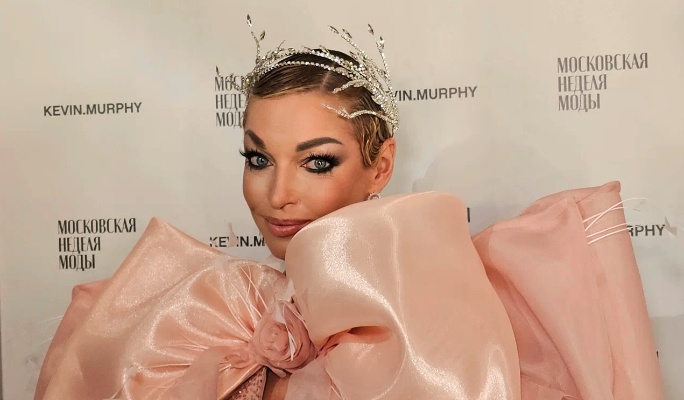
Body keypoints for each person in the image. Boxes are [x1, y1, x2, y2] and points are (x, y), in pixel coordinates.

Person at [33, 18, 665, 400]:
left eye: (317, 162)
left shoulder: (447, 337)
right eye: (258, 158)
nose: (277, 193)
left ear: (379, 166)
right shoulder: (202, 310)